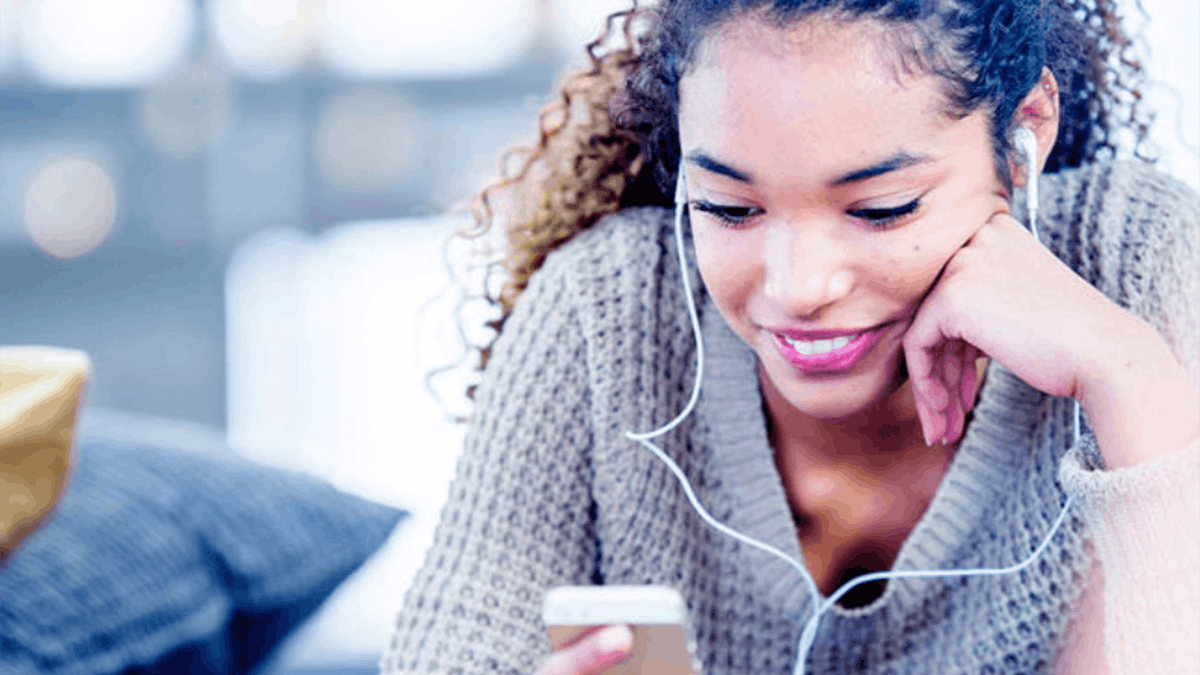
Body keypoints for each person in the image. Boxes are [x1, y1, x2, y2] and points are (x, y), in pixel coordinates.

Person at [380, 0, 1200, 673]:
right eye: (730, 207)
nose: (798, 287)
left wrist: (1134, 381)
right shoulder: (608, 313)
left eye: (881, 208)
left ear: (1024, 136)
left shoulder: (1135, 259)